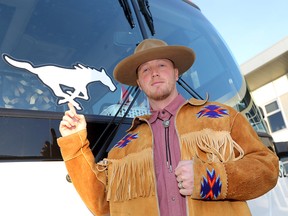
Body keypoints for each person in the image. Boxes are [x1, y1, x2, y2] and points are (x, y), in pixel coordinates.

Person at [58, 39, 279, 216]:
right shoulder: (124, 145)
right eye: (145, 70)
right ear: (139, 82)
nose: (154, 73)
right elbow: (102, 205)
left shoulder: (222, 116)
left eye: (161, 65)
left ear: (175, 73)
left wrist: (208, 179)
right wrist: (74, 143)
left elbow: (267, 169)